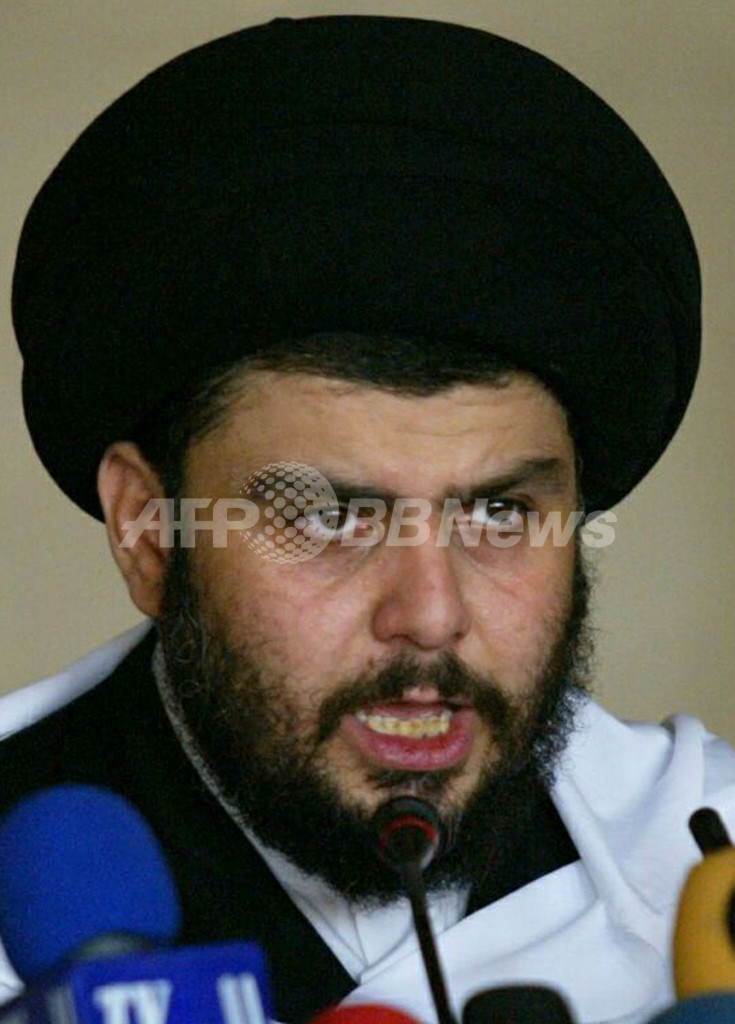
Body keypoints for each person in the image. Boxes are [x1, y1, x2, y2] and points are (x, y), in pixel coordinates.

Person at [0, 14, 732, 1024]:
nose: (430, 614)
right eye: (331, 518)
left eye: (499, 512)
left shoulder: (706, 853)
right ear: (148, 531)